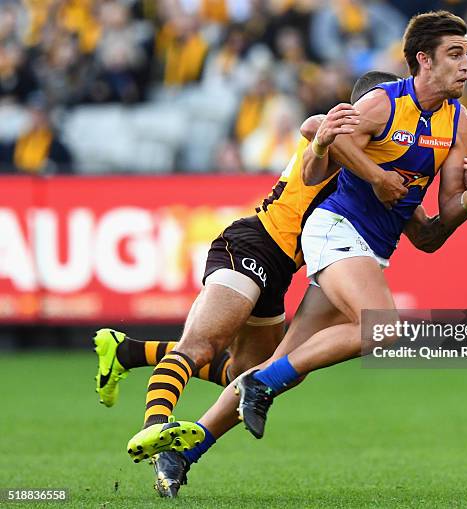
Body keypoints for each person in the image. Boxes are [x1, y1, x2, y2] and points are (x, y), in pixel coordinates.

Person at [128, 10, 467, 491]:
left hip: (371, 246)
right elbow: (316, 129)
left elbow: (431, 235)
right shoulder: (383, 103)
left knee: (288, 363)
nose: (466, 63)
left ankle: (184, 453)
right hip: (334, 228)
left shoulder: (460, 123)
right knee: (382, 326)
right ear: (422, 61)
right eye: (455, 53)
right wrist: (376, 176)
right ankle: (259, 385)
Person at [118, 71, 432, 464]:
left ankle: (132, 357)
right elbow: (313, 124)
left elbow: (424, 232)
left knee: (256, 373)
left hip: (288, 270)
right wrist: (333, 143)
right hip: (255, 243)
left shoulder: (385, 160)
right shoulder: (340, 134)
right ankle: (155, 427)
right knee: (202, 345)